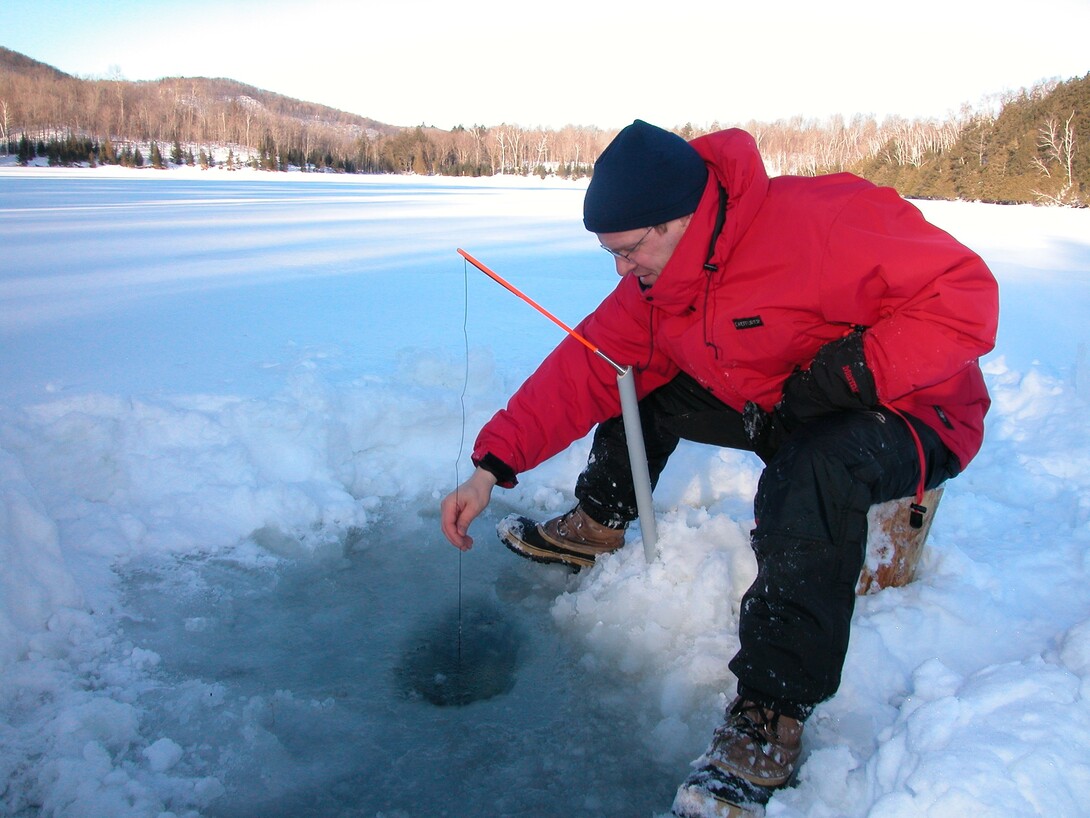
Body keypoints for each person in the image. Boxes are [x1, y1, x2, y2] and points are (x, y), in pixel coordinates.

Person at [440, 120, 998, 817]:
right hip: (790, 404)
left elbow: (968, 296)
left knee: (810, 472)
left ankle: (770, 714)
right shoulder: (661, 284)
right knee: (630, 379)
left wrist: (853, 372)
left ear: (679, 219)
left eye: (628, 250)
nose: (621, 269)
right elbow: (588, 364)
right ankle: (600, 522)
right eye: (609, 254)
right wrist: (491, 465)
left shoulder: (821, 221)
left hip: (915, 411)